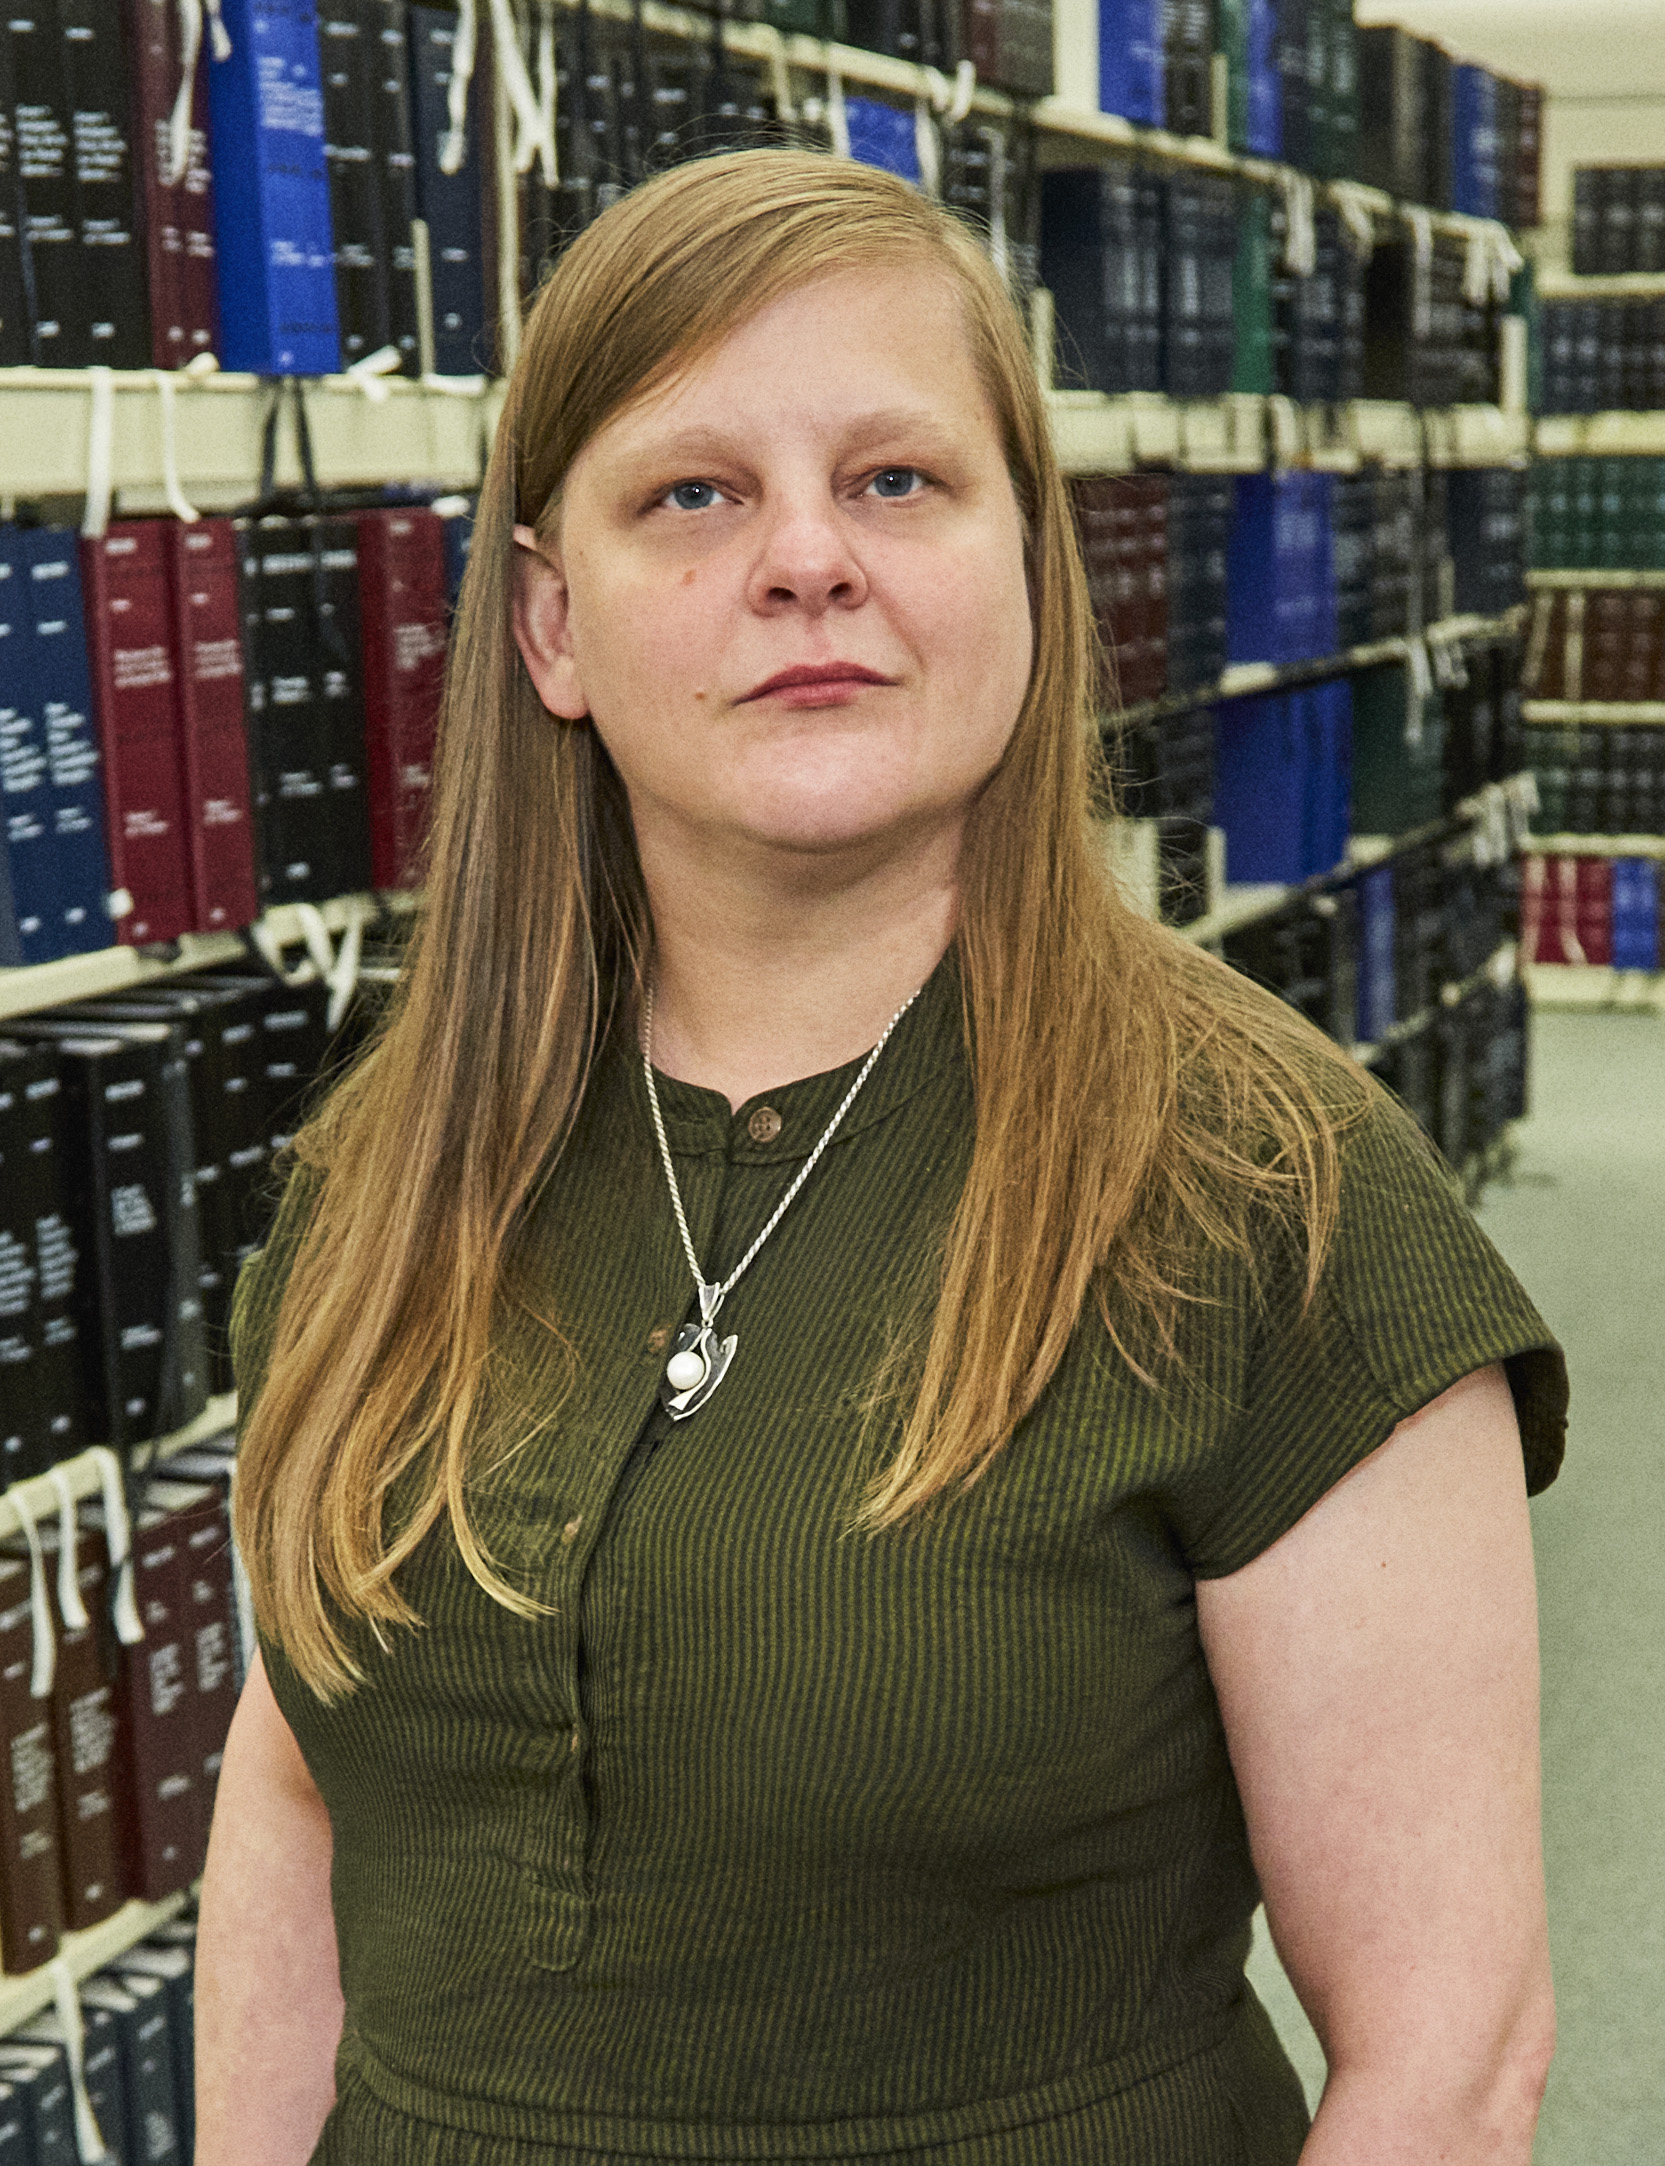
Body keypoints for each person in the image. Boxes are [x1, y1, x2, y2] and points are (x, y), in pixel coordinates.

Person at [198, 149, 1568, 2166]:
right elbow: (297, 1798)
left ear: (1027, 564)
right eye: (695, 492)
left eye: (895, 481)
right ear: (553, 630)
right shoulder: (380, 1188)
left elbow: (1448, 2063)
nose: (806, 562)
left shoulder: (1275, 1202)